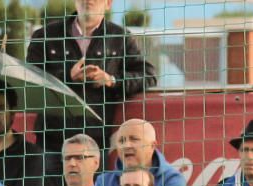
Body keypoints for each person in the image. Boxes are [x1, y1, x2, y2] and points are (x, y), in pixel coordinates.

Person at [25, 0, 156, 157]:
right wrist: (68, 76)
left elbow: (148, 75)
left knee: (95, 183)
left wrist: (111, 80)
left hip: (96, 140)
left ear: (108, 3)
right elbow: (29, 78)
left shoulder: (120, 38)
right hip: (51, 139)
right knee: (46, 182)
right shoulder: (45, 35)